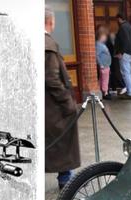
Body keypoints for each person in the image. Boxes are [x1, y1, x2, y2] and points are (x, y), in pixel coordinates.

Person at [45, 7, 80, 189]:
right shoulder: (48, 45)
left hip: (47, 105)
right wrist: (67, 102)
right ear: (50, 22)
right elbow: (52, 79)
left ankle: (65, 177)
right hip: (53, 107)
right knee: (63, 139)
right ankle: (65, 180)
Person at [114, 13, 131, 100]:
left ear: (119, 19)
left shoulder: (122, 27)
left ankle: (130, 92)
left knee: (125, 73)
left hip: (125, 54)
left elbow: (124, 41)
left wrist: (121, 52)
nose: (117, 22)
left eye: (117, 20)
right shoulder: (130, 26)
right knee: (130, 73)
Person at [96, 26, 112, 100]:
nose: (105, 38)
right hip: (104, 65)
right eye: (104, 36)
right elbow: (97, 55)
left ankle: (100, 91)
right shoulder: (99, 45)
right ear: (101, 36)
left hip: (106, 65)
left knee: (103, 79)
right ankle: (105, 92)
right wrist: (101, 64)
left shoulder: (102, 44)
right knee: (105, 79)